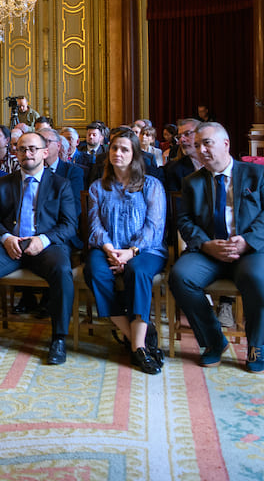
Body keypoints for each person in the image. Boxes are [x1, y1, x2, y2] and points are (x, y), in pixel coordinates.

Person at [169, 121, 264, 373]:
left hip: (256, 249)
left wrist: (247, 241)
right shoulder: (192, 182)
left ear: (226, 144)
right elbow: (185, 221)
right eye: (197, 145)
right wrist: (206, 245)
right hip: (211, 251)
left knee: (255, 276)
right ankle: (213, 340)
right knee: (180, 277)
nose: (201, 150)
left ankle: (255, 345)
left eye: (206, 143)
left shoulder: (259, 174)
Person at [0, 130, 79, 363]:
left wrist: (43, 239)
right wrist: (6, 238)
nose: (27, 153)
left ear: (45, 152)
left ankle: (58, 338)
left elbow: (69, 225)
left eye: (33, 149)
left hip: (47, 245)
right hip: (10, 245)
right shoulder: (3, 183)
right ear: (15, 153)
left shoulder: (61, 184)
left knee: (62, 271)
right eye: (22, 149)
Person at [84, 132, 168, 374]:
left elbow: (155, 226)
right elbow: (95, 224)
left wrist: (131, 252)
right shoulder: (97, 187)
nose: (117, 153)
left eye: (124, 149)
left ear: (135, 155)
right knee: (95, 272)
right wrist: (110, 249)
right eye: (114, 149)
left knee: (138, 271)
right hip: (108, 247)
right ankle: (136, 338)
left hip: (145, 249)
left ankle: (137, 346)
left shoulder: (151, 185)